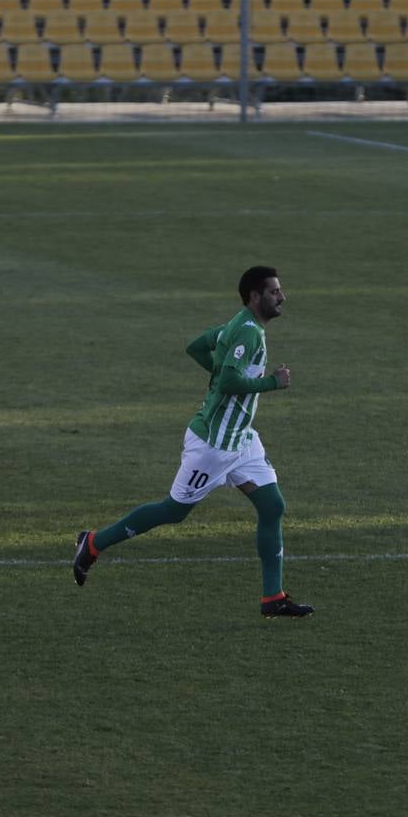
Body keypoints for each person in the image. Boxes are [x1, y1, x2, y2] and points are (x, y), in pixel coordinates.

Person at [71, 266, 314, 620]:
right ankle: (92, 543)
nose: (282, 297)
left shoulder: (239, 324)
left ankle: (273, 598)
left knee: (272, 506)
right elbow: (230, 381)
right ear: (254, 296)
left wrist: (218, 373)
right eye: (274, 291)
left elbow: (197, 346)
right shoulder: (249, 334)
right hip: (215, 445)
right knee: (173, 511)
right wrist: (272, 383)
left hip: (241, 439)